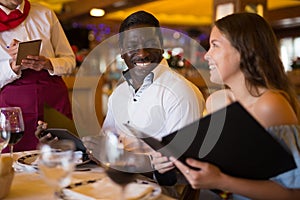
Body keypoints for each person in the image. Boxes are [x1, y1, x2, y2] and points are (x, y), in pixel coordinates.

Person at [151, 12, 300, 199]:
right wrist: (172, 163)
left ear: (244, 50)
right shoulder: (218, 101)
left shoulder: (269, 105)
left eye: (215, 45)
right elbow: (213, 171)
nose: (207, 55)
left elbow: (294, 193)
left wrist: (220, 181)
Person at [0, 0, 76, 152]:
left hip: (53, 100)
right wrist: (12, 66)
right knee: (14, 162)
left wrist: (47, 63)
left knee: (62, 158)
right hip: (13, 107)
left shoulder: (45, 13)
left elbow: (70, 61)